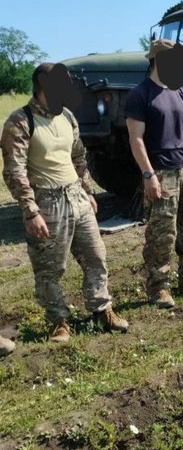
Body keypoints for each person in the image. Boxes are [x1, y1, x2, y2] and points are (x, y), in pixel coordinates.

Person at [1, 63, 128, 343]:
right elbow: (14, 171)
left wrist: (87, 191)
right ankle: (58, 321)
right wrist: (31, 210)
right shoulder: (20, 122)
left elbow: (78, 157)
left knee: (96, 256)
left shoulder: (67, 116)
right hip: (47, 202)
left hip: (76, 198)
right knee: (50, 268)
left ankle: (101, 310)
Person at [125, 40, 183, 309]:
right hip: (162, 173)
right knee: (162, 234)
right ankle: (158, 288)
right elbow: (135, 139)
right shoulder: (140, 95)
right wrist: (149, 174)